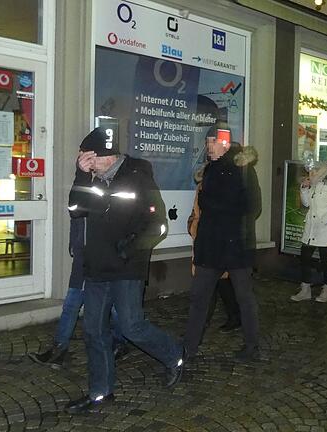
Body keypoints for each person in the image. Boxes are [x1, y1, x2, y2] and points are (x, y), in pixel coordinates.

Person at [65, 127, 185, 414]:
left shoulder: (137, 177)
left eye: (87, 156)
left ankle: (175, 354)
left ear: (104, 156)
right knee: (94, 331)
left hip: (126, 268)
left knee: (132, 326)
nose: (83, 160)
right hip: (96, 268)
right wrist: (81, 175)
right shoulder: (94, 180)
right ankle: (100, 393)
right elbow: (74, 208)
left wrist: (127, 250)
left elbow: (158, 226)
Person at [183, 132, 262, 362]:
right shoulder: (209, 170)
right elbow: (205, 205)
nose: (208, 147)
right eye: (207, 142)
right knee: (199, 297)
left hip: (237, 245)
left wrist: (221, 209)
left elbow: (253, 207)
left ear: (224, 144)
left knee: (244, 298)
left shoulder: (244, 169)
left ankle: (251, 346)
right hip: (210, 246)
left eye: (212, 142)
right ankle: (189, 346)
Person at [28, 217, 127, 369]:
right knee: (72, 304)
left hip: (103, 258)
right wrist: (73, 244)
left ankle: (119, 342)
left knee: (111, 304)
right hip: (83, 258)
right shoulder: (78, 194)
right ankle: (59, 348)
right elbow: (75, 219)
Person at [290, 162, 327, 303]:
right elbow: (307, 203)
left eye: (314, 171)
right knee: (305, 259)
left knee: (326, 261)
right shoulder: (315, 185)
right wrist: (304, 188)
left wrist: (325, 219)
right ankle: (305, 289)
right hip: (311, 230)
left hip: (325, 231)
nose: (311, 174)